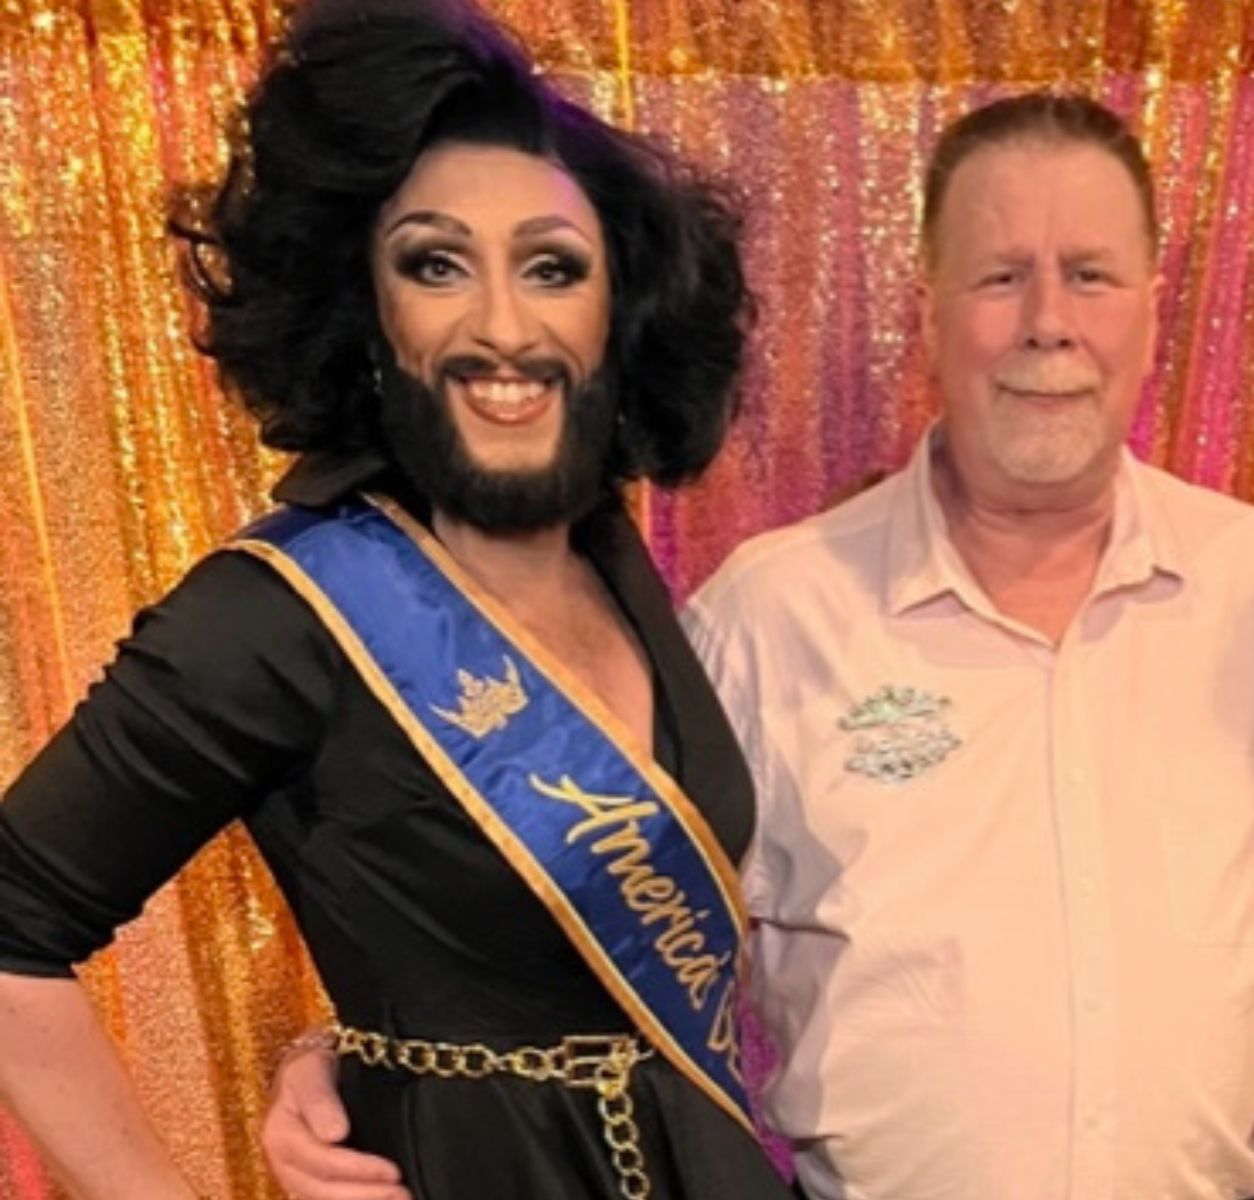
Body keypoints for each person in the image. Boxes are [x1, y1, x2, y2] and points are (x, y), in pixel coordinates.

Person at [270, 93, 1254, 1199]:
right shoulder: (770, 615)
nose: (1046, 321)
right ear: (928, 312)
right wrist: (352, 1051)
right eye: (998, 275)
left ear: (1152, 311)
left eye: (1090, 274)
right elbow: (586, 924)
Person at [0, 0, 794, 1197]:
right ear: (368, 315)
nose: (501, 325)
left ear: (615, 315)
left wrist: (335, 1047)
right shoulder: (283, 614)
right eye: (435, 264)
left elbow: (526, 964)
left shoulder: (616, 563)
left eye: (551, 267)